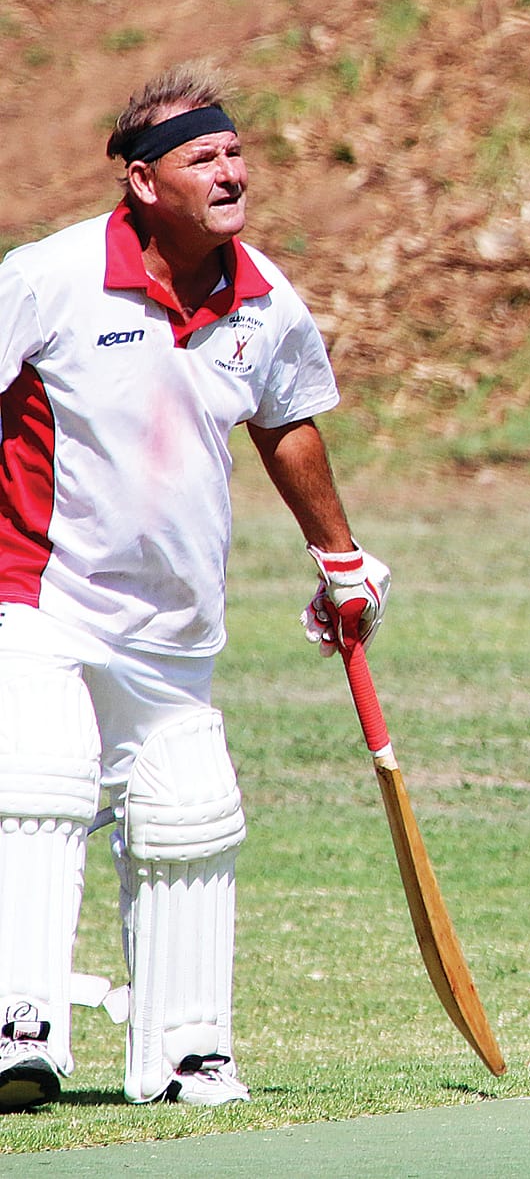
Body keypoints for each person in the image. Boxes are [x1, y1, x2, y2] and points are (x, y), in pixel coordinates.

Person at [0, 62, 390, 1112]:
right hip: (37, 595)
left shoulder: (264, 297)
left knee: (189, 814)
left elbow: (287, 422)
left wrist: (340, 559)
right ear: (141, 182)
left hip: (174, 623)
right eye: (202, 157)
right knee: (40, 779)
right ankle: (15, 1030)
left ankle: (183, 1054)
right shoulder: (50, 277)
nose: (232, 171)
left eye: (234, 152)